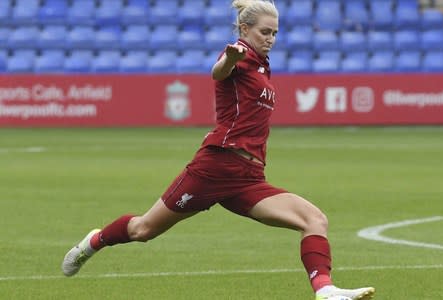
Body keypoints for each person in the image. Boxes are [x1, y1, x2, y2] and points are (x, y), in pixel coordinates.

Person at [62, 1, 375, 299]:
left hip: (249, 178)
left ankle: (325, 290)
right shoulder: (240, 58)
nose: (271, 39)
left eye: (275, 33)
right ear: (244, 29)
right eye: (265, 32)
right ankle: (93, 242)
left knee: (314, 219)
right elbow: (218, 71)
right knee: (144, 230)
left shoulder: (264, 69)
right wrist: (230, 58)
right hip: (215, 167)